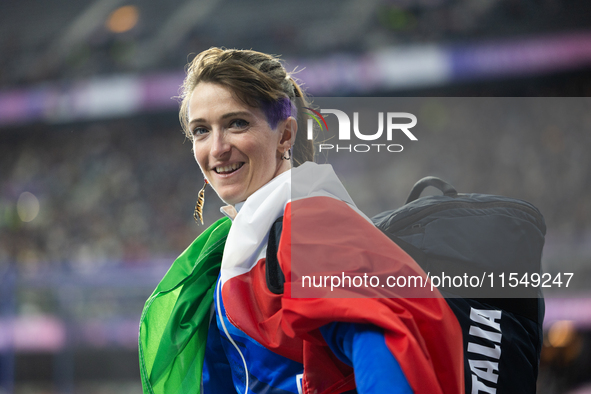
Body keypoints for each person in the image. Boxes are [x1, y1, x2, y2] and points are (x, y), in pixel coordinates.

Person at [138, 48, 464, 394]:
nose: (216, 148)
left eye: (237, 123)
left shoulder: (311, 224)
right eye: (201, 130)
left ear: (285, 135)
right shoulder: (247, 237)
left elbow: (380, 337)